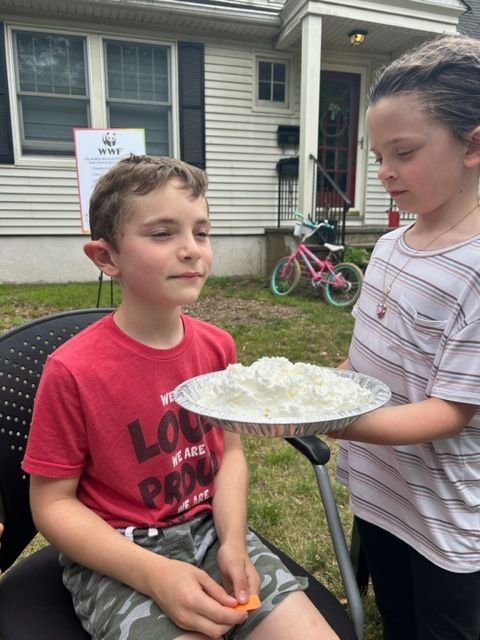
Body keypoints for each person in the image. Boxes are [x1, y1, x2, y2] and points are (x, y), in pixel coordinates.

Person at [22, 155, 339, 640]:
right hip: (118, 554)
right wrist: (155, 574)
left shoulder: (217, 347)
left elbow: (229, 455)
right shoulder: (73, 371)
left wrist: (234, 541)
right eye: (162, 233)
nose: (192, 250)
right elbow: (52, 504)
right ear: (106, 258)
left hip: (213, 529)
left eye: (202, 231)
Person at [330, 35, 480, 640]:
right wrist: (327, 388)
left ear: (473, 144)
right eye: (377, 156)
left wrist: (328, 421)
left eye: (404, 152)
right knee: (397, 619)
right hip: (382, 489)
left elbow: (451, 410)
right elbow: (368, 352)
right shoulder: (392, 245)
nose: (386, 171)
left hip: (446, 517)